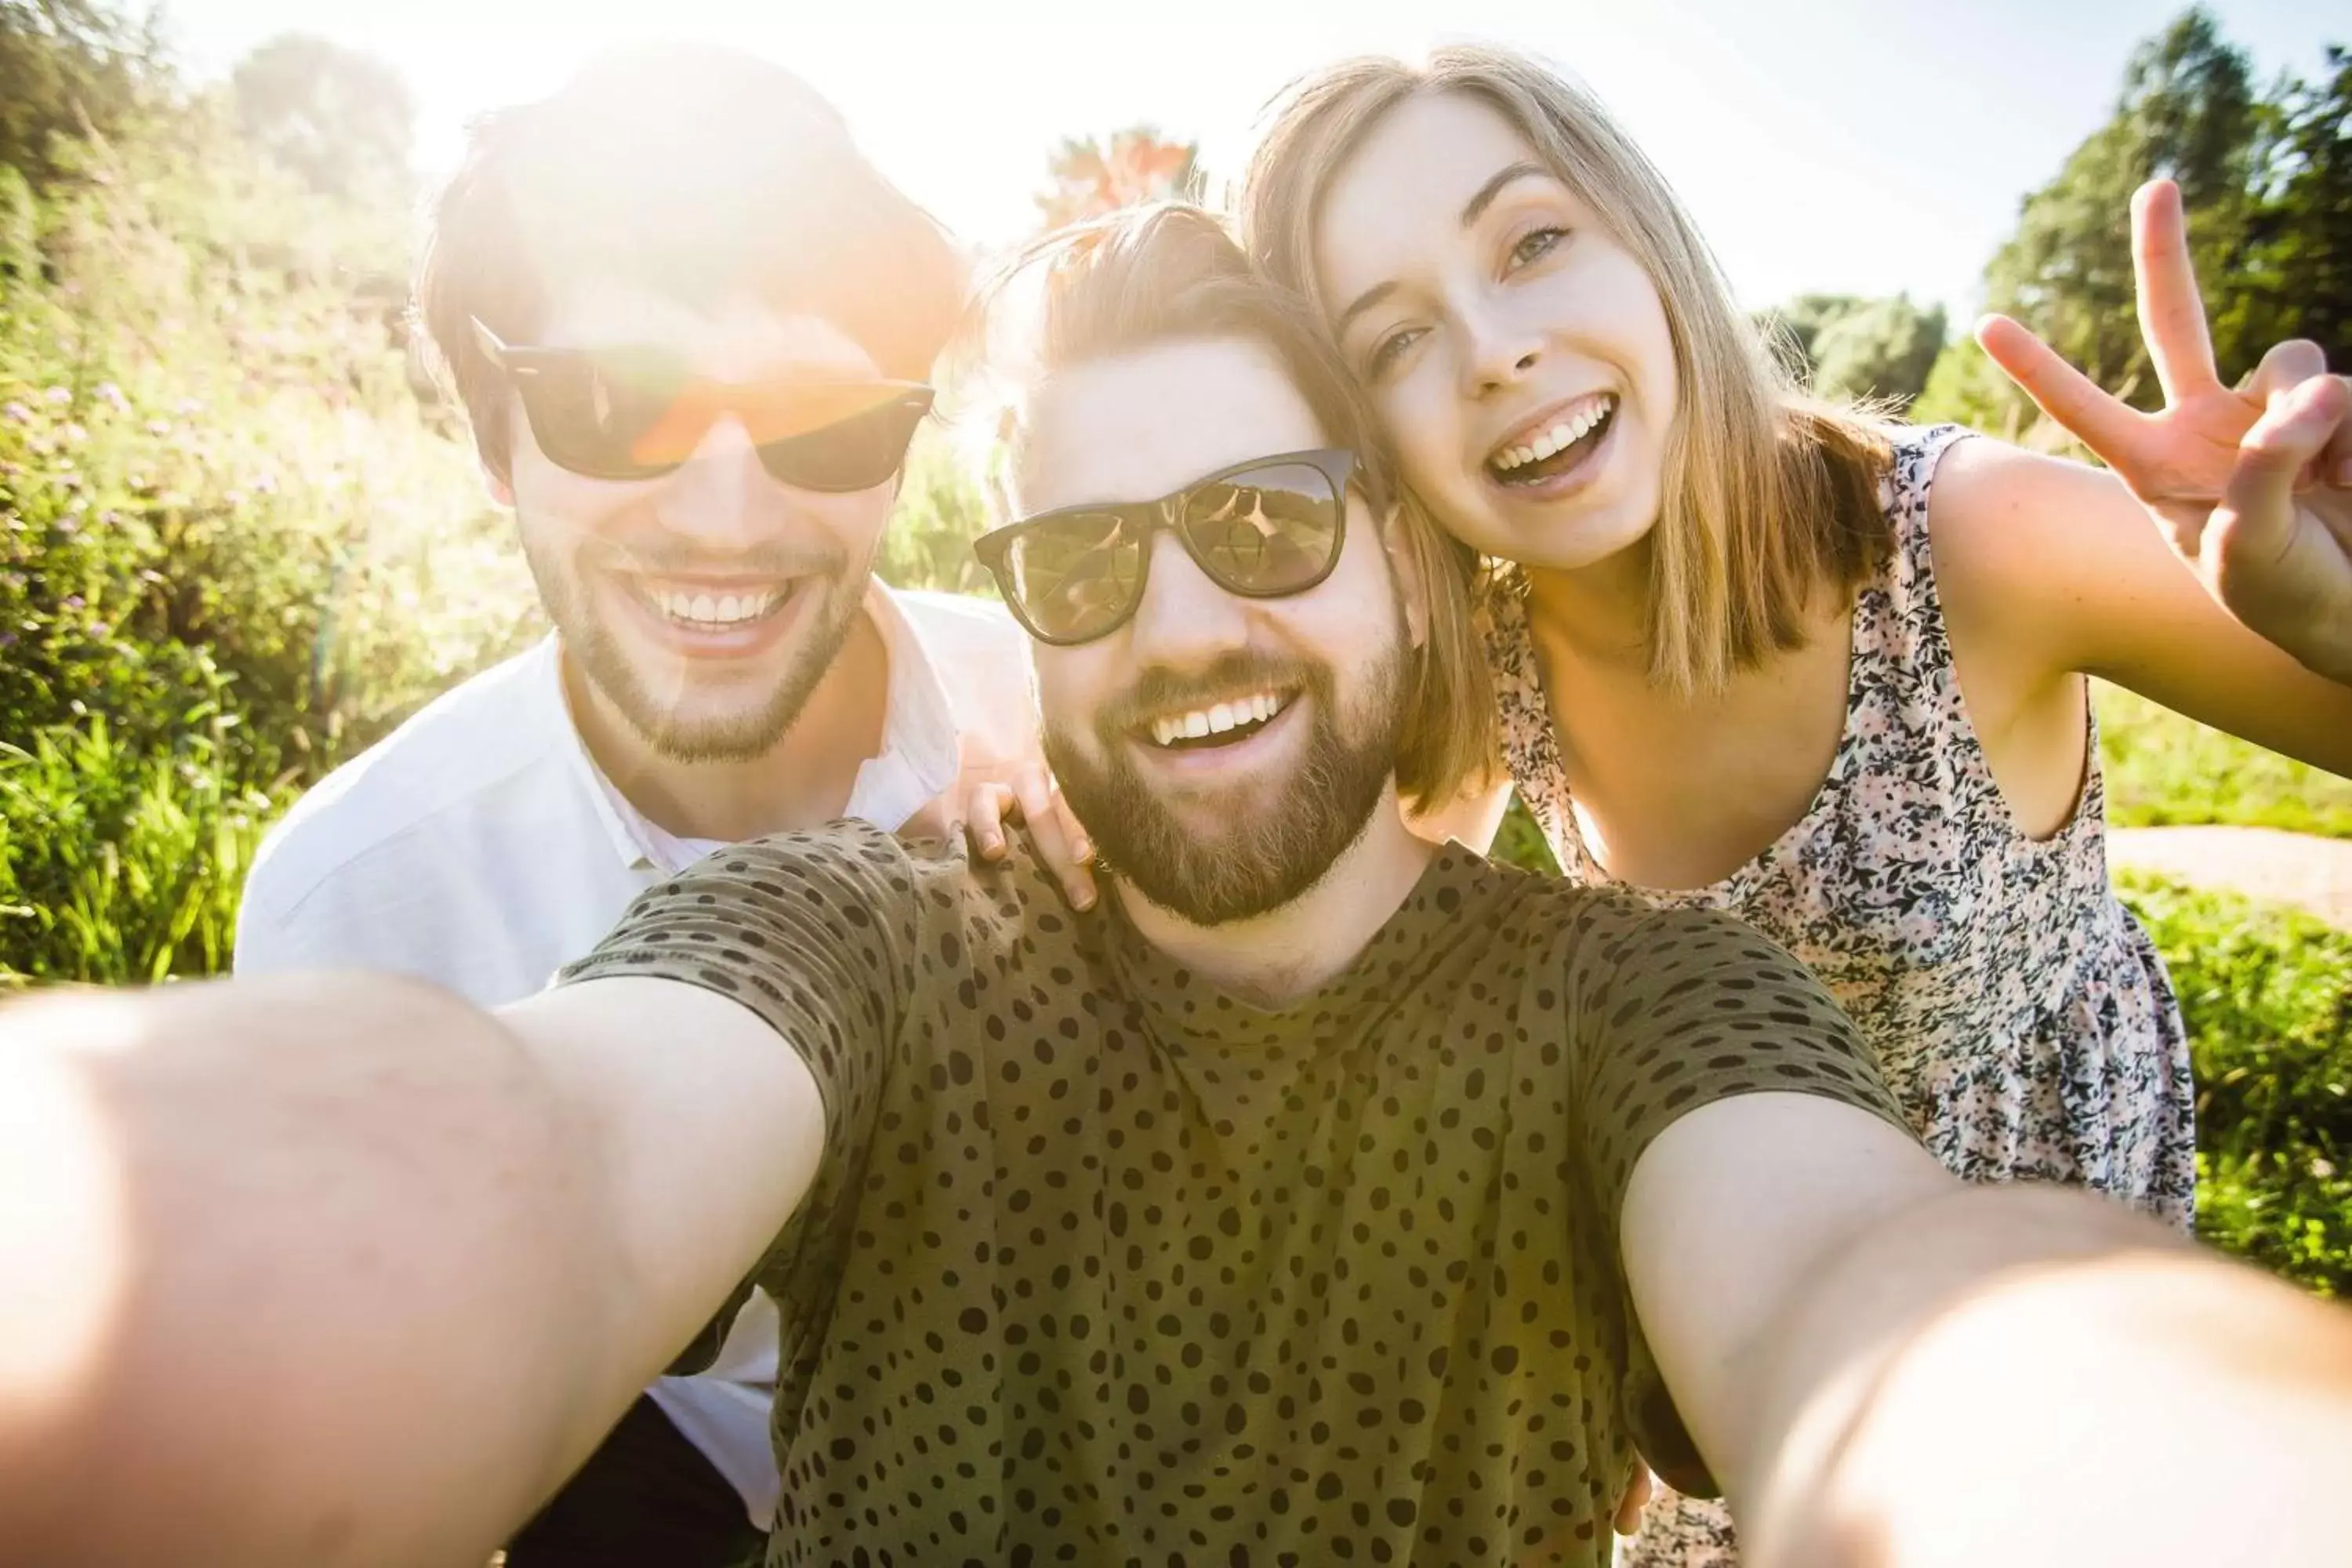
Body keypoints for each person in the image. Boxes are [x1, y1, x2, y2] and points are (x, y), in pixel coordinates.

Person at [7, 201, 2352, 1568]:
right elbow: (535, 1149)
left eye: (1265, 519)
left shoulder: (1629, 1013)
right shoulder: (869, 937)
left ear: (1424, 574)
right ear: (1015, 607)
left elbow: (1872, 1290)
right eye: (1085, 553)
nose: (1186, 619)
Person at [1229, 44, 2352, 1563]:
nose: (1494, 349)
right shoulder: (1484, 662)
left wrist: (2326, 611)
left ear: (1648, 242)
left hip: (2041, 1326)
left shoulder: (1966, 540)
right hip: (1723, 1340)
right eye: (1393, 338)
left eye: (1533, 241)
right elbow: (1323, 975)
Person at [230, 47, 1037, 1567]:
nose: (727, 513)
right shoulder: (356, 909)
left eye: (820, 418)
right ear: (491, 441)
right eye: (617, 404)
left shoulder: (1057, 707)